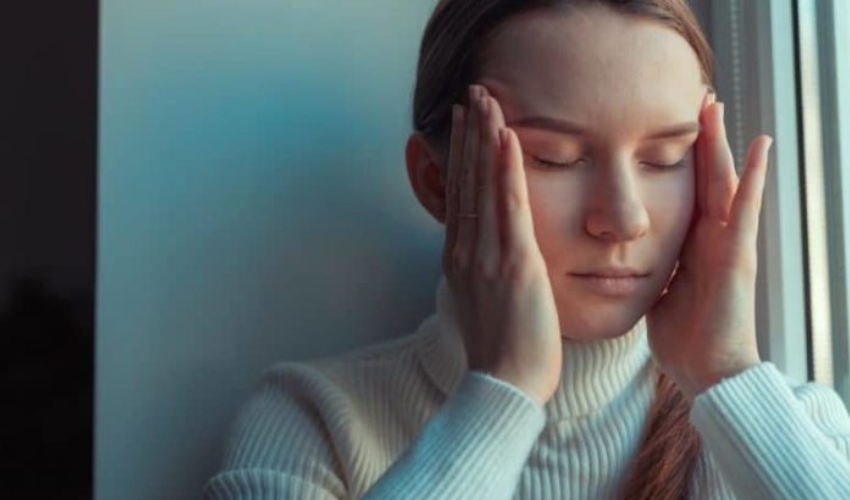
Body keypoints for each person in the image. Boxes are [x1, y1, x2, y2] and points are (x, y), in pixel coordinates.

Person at [204, 0, 850, 498]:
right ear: (437, 182)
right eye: (555, 158)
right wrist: (502, 393)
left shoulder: (794, 433)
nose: (622, 218)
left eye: (665, 157)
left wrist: (726, 374)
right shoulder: (314, 423)